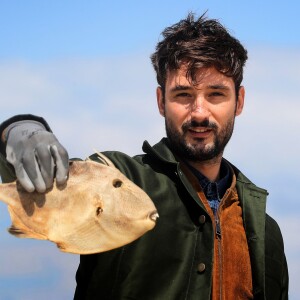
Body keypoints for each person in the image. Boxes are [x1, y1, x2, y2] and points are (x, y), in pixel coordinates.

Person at [0, 13, 288, 300]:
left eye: (216, 94)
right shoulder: (117, 177)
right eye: (183, 95)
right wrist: (19, 131)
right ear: (160, 101)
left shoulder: (266, 232)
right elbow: (39, 182)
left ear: (239, 102)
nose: (199, 112)